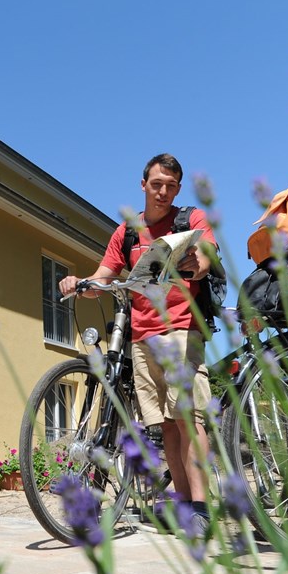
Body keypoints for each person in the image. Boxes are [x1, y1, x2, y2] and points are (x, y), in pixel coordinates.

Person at [58, 153, 218, 534]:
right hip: (142, 337)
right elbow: (103, 277)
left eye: (171, 186)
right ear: (143, 184)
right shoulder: (127, 233)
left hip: (181, 330)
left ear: (178, 189)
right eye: (156, 184)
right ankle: (183, 507)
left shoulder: (189, 220)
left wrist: (196, 265)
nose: (163, 192)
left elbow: (206, 259)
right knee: (167, 428)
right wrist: (79, 283)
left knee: (189, 419)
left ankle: (202, 509)